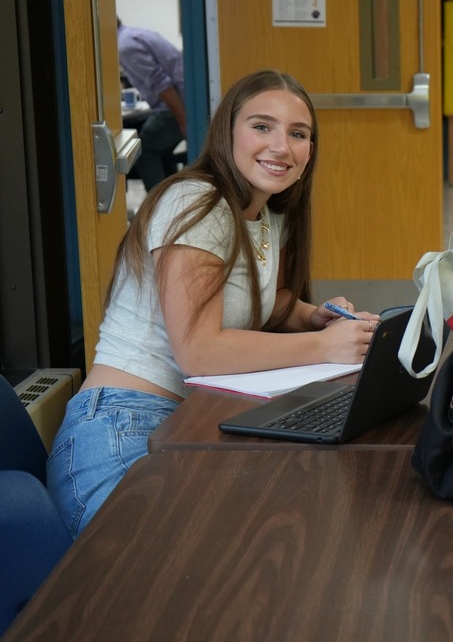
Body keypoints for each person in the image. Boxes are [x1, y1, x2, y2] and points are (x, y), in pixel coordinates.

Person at [47, 70, 379, 539]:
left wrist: (312, 315)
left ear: (309, 153)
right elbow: (199, 350)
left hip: (189, 423)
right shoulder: (197, 201)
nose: (281, 146)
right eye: (262, 126)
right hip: (122, 424)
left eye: (298, 133)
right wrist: (323, 346)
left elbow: (257, 300)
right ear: (228, 132)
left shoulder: (262, 213)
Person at [117, 17, 187, 191]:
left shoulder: (125, 46)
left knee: (142, 152)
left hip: (175, 106)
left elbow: (161, 84)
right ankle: (173, 203)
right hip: (184, 100)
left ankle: (158, 206)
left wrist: (183, 119)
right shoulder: (135, 34)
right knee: (161, 150)